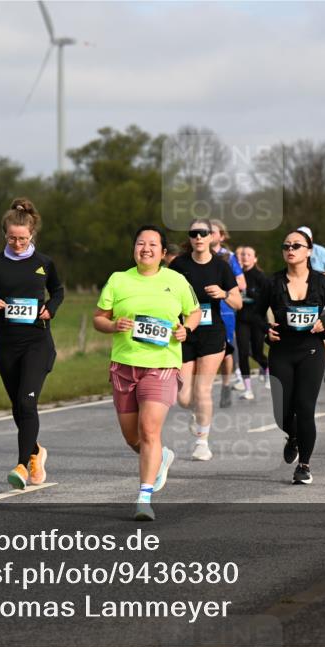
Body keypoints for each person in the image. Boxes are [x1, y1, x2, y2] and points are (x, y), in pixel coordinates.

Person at [93, 225, 200, 520]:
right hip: (124, 366)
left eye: (153, 244)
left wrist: (185, 329)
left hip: (162, 364)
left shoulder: (176, 280)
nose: (146, 249)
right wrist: (114, 325)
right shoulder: (118, 280)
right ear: (134, 249)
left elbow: (194, 311)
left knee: (149, 430)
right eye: (141, 243)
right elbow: (99, 318)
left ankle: (144, 497)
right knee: (132, 437)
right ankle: (161, 457)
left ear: (163, 252)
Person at [0, 198, 63, 490]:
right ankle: (36, 452)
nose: (18, 243)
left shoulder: (44, 263)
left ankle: (22, 466)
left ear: (32, 234)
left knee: (27, 401)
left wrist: (51, 307)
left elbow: (58, 290)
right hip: (7, 345)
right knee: (18, 407)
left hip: (37, 343)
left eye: (23, 238)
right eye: (12, 238)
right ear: (4, 235)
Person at [256, 229, 325, 484]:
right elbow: (254, 316)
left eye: (296, 245)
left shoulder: (321, 282)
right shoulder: (272, 283)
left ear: (309, 251)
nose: (290, 249)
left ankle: (304, 465)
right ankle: (293, 436)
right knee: (281, 413)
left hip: (311, 351)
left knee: (305, 409)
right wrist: (265, 331)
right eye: (286, 246)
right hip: (281, 351)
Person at [168, 219, 242, 461]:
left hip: (212, 332)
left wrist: (223, 294)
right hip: (185, 332)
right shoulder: (179, 264)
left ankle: (202, 442)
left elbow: (238, 303)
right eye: (194, 233)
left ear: (212, 237)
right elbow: (166, 294)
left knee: (203, 389)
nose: (198, 237)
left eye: (203, 233)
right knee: (183, 397)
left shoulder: (221, 267)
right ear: (189, 238)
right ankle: (197, 414)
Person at [297, 226, 325, 384]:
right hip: (300, 299)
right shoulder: (294, 251)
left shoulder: (320, 251)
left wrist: (320, 276)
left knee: (322, 333)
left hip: (319, 297)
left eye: (306, 239)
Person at [209, 219, 247, 408]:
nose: (208, 235)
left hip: (225, 310)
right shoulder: (197, 255)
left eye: (213, 232)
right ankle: (201, 390)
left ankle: (225, 385)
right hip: (202, 309)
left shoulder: (228, 257)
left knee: (225, 351)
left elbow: (242, 283)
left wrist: (222, 285)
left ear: (221, 236)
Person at [235, 245, 270, 400]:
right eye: (243, 254)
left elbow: (266, 298)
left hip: (258, 319)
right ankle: (248, 389)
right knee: (243, 353)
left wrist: (249, 291)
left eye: (249, 255)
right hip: (242, 319)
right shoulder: (236, 275)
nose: (245, 257)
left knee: (257, 353)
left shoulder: (260, 277)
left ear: (255, 259)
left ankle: (268, 370)